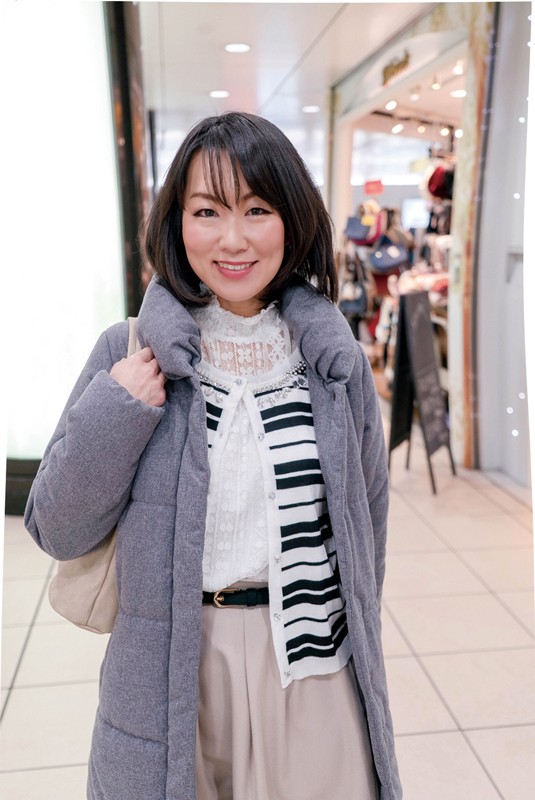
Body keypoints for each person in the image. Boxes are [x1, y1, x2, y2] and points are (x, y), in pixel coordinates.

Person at [24, 111, 402, 800]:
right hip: (173, 667)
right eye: (207, 211)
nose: (233, 239)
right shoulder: (130, 351)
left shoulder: (332, 361)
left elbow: (366, 527)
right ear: (177, 223)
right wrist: (119, 410)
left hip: (312, 665)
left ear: (292, 221)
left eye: (257, 209)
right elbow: (55, 528)